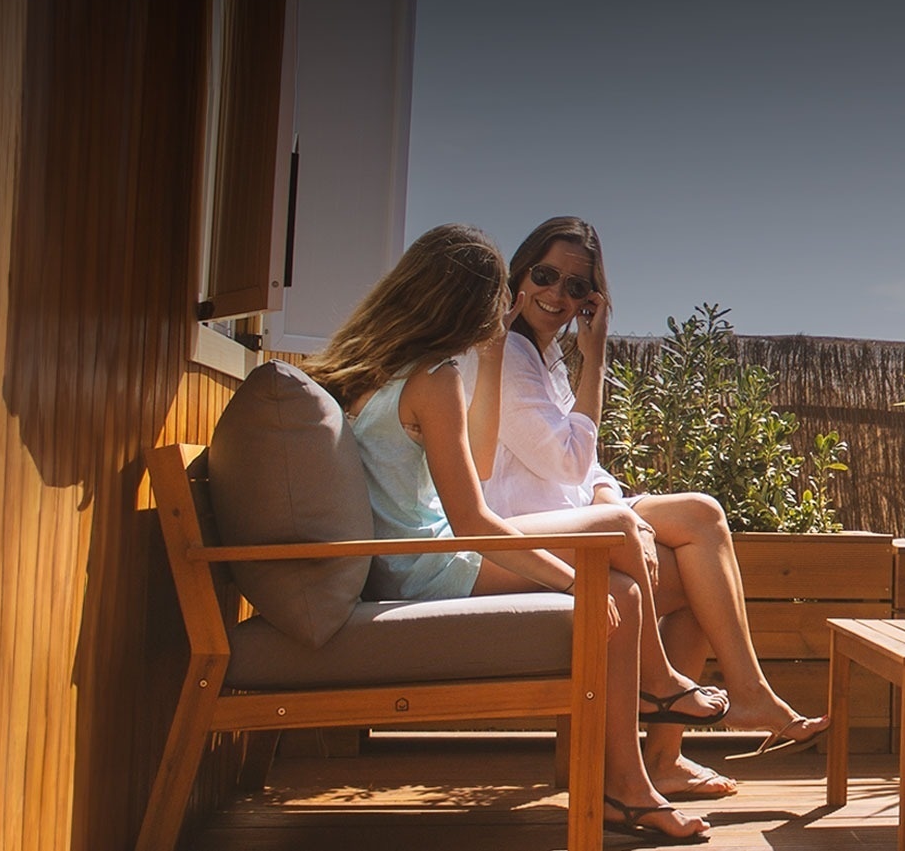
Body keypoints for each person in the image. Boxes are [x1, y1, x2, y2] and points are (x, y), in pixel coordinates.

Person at [300, 224, 717, 842]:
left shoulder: (370, 368)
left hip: (404, 557)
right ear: (468, 301)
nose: (508, 309)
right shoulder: (433, 378)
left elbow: (483, 465)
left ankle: (626, 784)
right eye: (501, 296)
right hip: (427, 565)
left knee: (623, 571)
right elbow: (471, 523)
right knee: (615, 545)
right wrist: (574, 581)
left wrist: (492, 357)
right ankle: (646, 726)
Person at [462, 216, 827, 799]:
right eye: (546, 275)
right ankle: (684, 738)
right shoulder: (506, 353)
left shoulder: (545, 356)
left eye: (576, 286)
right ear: (519, 276)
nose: (558, 294)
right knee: (690, 578)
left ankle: (718, 714)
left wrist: (612, 499)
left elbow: (590, 469)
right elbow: (566, 460)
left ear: (591, 297)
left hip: (572, 515)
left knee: (702, 515)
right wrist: (597, 354)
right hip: (519, 535)